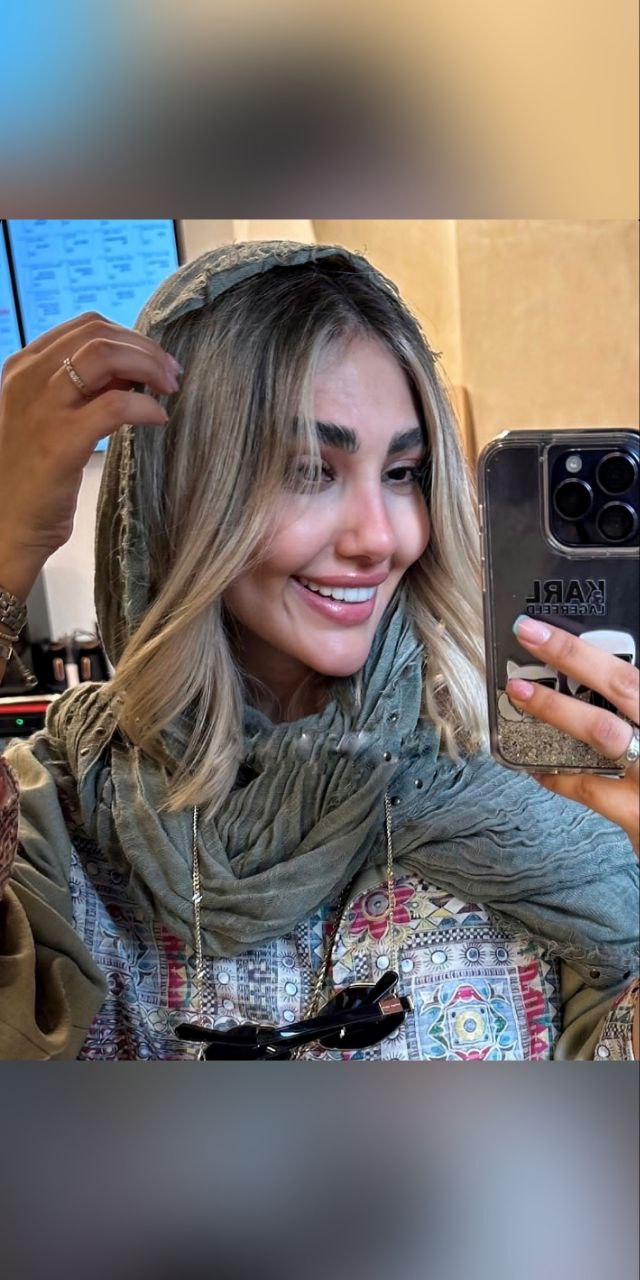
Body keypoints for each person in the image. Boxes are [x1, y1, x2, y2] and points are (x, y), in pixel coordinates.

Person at [0, 240, 637, 1061]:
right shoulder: (54, 827)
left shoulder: (542, 807)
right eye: (309, 469)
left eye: (403, 472)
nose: (380, 537)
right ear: (179, 493)